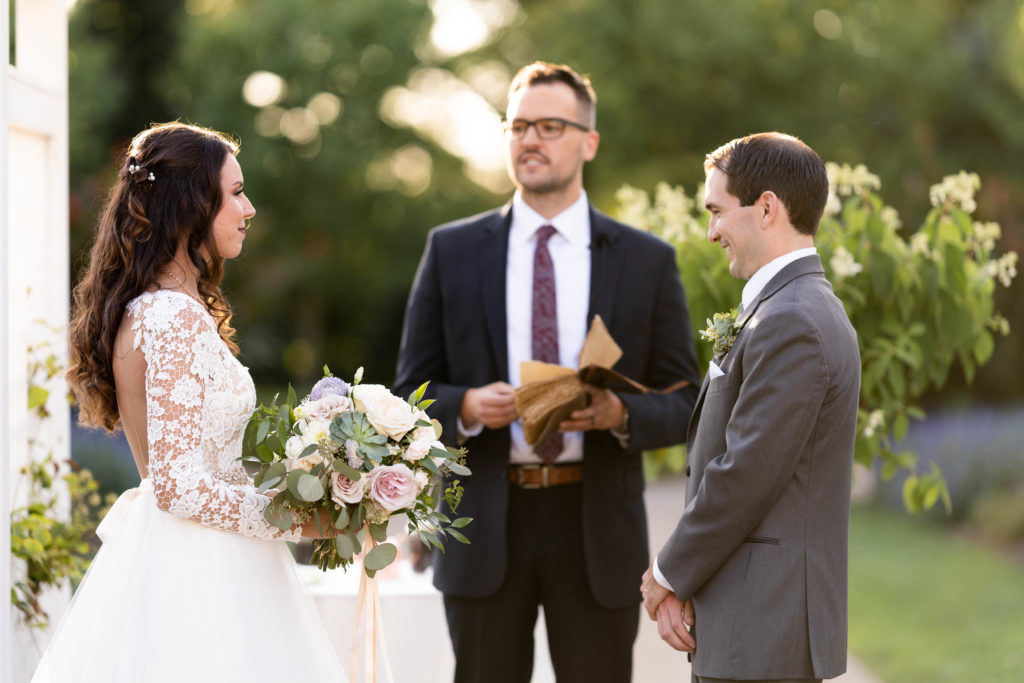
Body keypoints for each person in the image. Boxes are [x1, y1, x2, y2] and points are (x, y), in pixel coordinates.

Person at [394, 62, 700, 682]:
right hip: (483, 520)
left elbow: (688, 399)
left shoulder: (645, 261)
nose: (530, 139)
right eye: (518, 126)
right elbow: (408, 393)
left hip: (596, 532)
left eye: (550, 126)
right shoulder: (451, 251)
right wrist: (469, 407)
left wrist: (619, 414)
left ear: (588, 141)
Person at [32, 123, 348, 682]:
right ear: (191, 205)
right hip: (201, 572)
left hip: (191, 554)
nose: (248, 209)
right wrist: (297, 518)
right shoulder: (172, 317)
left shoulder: (157, 308)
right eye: (236, 192)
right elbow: (178, 484)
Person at [640, 132, 861, 683]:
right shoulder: (790, 307)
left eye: (717, 210)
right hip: (755, 625)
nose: (711, 231)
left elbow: (745, 473)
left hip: (764, 631)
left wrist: (668, 573)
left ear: (766, 208)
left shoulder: (792, 320)